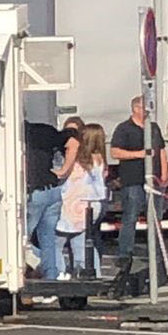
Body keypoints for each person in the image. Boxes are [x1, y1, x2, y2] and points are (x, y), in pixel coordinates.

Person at [111, 95, 166, 279]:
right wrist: (139, 154)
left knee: (156, 219)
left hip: (155, 181)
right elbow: (115, 151)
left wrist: (164, 174)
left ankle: (157, 254)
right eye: (145, 108)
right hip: (133, 181)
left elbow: (162, 150)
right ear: (135, 109)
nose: (148, 112)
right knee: (130, 217)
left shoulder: (154, 127)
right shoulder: (124, 129)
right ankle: (125, 255)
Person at [22, 117, 76, 282]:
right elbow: (73, 143)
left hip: (36, 192)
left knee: (22, 238)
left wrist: (63, 171)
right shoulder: (45, 129)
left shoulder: (21, 134)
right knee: (48, 240)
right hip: (53, 190)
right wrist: (63, 171)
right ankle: (50, 280)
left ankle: (25, 275)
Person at [60, 121, 108, 276]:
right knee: (81, 242)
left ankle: (59, 272)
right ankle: (92, 274)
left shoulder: (80, 160)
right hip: (94, 204)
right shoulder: (99, 159)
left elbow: (66, 176)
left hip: (76, 204)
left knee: (55, 242)